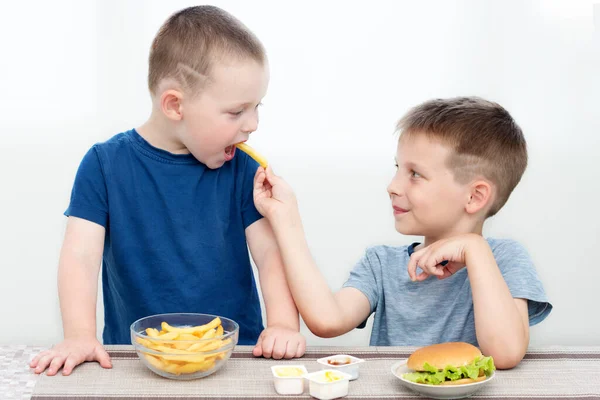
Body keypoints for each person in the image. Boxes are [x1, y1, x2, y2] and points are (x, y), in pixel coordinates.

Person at [30, 5, 305, 376]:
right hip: (137, 361)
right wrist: (79, 335)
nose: (252, 125)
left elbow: (271, 256)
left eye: (257, 108)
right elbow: (80, 257)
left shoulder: (245, 171)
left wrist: (284, 325)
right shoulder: (103, 165)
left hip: (236, 360)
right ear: (175, 105)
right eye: (236, 111)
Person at [253, 96, 552, 369]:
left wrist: (475, 249)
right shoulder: (381, 265)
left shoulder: (504, 260)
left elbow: (505, 353)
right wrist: (286, 219)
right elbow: (326, 319)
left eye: (415, 174)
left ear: (474, 197)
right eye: (397, 167)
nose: (392, 186)